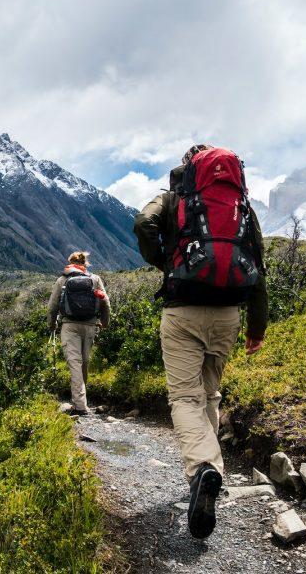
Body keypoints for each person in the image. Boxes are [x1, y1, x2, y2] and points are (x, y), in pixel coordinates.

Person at [134, 145, 268, 539]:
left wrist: (165, 262)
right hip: (228, 314)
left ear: (189, 168)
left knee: (184, 398)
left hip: (183, 311)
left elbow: (143, 223)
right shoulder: (240, 206)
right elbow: (258, 265)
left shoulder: (175, 199)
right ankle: (209, 470)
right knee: (210, 394)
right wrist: (256, 328)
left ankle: (203, 470)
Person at [47, 251, 110, 416]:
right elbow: (105, 302)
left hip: (69, 326)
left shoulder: (62, 280)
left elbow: (52, 306)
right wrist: (104, 322)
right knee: (84, 363)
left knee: (75, 363)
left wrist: (52, 324)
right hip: (90, 326)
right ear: (85, 263)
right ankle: (82, 401)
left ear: (70, 263)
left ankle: (80, 405)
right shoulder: (94, 279)